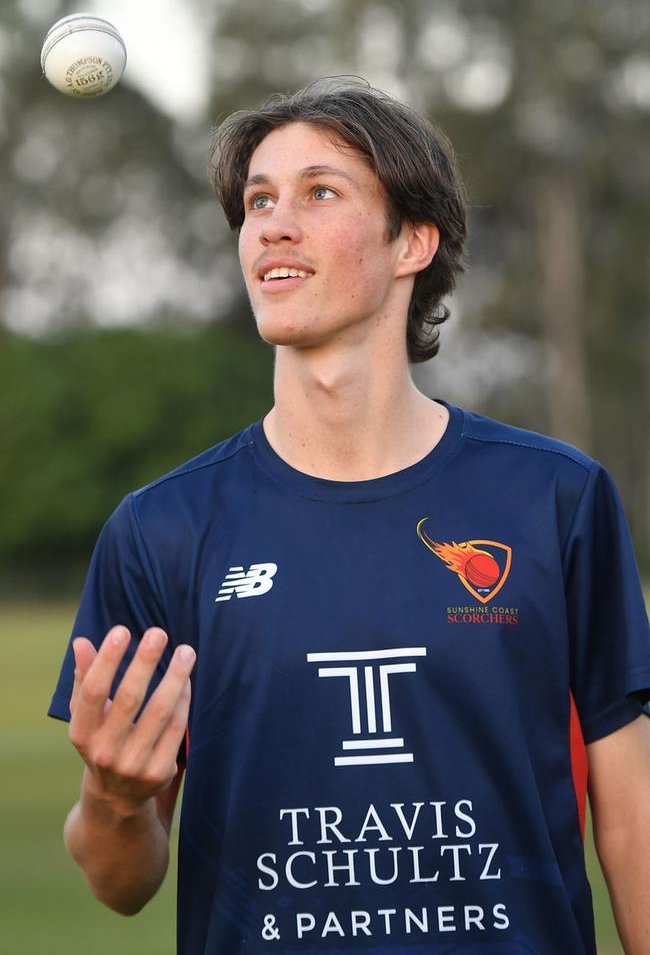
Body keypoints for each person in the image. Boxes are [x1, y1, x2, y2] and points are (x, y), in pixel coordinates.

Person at [50, 79, 650, 955]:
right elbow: (120, 884)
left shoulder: (554, 498)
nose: (272, 225)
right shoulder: (163, 530)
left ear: (413, 240)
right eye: (258, 201)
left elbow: (632, 820)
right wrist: (110, 797)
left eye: (319, 192)